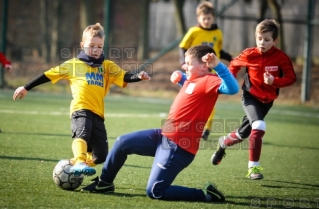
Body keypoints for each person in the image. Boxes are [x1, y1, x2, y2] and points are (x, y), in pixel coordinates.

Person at [80, 45, 239, 203]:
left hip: (179, 147)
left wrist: (217, 65)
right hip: (163, 136)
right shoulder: (194, 80)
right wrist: (181, 78)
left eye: (189, 63)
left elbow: (232, 88)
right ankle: (104, 183)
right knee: (122, 142)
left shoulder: (209, 80)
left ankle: (205, 194)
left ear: (205, 66)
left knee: (155, 191)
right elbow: (192, 91)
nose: (184, 66)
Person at [12, 23, 151, 176]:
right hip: (80, 109)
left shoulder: (107, 66)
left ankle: (72, 165)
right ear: (82, 45)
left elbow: (124, 76)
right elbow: (48, 75)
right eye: (91, 45)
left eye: (99, 46)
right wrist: (26, 87)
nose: (96, 49)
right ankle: (79, 161)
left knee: (101, 155)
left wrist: (138, 77)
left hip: (98, 114)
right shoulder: (73, 65)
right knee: (82, 135)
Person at [211, 19, 296, 180]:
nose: (262, 42)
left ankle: (223, 143)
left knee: (243, 134)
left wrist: (274, 81)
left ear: (275, 41)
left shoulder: (281, 57)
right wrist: (229, 81)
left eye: (267, 39)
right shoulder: (249, 54)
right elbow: (234, 66)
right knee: (259, 125)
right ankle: (253, 168)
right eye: (259, 38)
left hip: (267, 101)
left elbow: (291, 78)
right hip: (250, 97)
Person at [179, 1, 233, 140]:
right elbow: (183, 47)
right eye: (204, 18)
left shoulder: (218, 33)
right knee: (190, 96)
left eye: (209, 18)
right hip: (195, 72)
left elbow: (218, 51)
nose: (206, 21)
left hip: (211, 73)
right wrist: (184, 63)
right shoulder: (193, 31)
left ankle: (206, 128)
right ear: (198, 18)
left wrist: (231, 58)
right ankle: (187, 125)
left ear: (213, 18)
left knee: (209, 100)